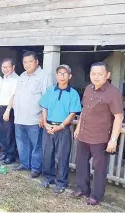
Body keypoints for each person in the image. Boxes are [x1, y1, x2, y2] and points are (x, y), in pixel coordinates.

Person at [72, 62, 124, 206]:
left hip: (100, 138)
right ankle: (83, 189)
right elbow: (84, 111)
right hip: (84, 134)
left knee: (99, 169)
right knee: (81, 164)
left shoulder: (113, 93)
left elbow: (119, 117)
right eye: (93, 74)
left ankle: (96, 196)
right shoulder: (88, 88)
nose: (96, 77)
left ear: (107, 75)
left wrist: (113, 139)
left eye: (100, 74)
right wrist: (78, 127)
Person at [39, 65, 82, 193]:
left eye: (64, 74)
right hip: (48, 127)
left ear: (70, 76)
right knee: (47, 154)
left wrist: (61, 126)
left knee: (62, 156)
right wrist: (45, 122)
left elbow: (72, 113)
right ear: (56, 75)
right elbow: (44, 107)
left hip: (63, 128)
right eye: (59, 73)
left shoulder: (73, 93)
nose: (61, 76)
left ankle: (61, 182)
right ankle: (48, 178)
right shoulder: (50, 90)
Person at [13, 51, 51, 178]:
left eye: (30, 61)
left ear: (37, 62)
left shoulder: (43, 76)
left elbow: (47, 98)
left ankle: (36, 168)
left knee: (36, 145)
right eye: (25, 62)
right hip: (19, 117)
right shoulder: (22, 75)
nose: (27, 64)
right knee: (22, 142)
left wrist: (43, 116)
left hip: (35, 118)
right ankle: (24, 163)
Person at [0, 59, 19, 165]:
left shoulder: (15, 79)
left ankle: (11, 155)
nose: (5, 69)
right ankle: (4, 152)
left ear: (13, 67)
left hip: (9, 109)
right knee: (3, 132)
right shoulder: (4, 78)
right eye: (3, 67)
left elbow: (13, 96)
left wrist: (8, 110)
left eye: (7, 67)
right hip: (1, 107)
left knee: (10, 133)